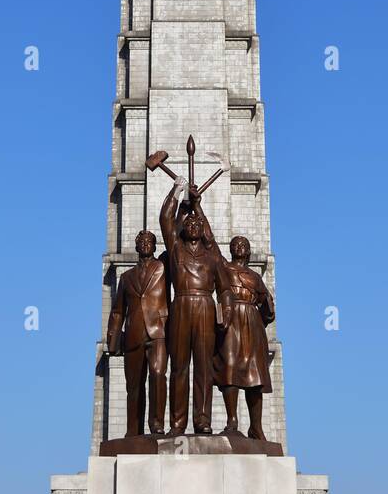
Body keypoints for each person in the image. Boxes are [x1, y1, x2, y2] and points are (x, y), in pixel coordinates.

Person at [159, 177, 222, 436]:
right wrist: (177, 189)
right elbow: (165, 218)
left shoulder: (212, 254)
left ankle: (203, 421)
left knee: (204, 368)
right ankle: (177, 424)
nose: (194, 225)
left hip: (206, 306)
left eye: (198, 223)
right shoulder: (175, 249)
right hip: (182, 304)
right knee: (180, 366)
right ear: (182, 229)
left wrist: (198, 206)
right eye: (190, 223)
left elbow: (210, 235)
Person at [106, 230, 169, 437]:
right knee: (134, 385)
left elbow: (174, 240)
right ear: (136, 246)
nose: (144, 244)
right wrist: (113, 342)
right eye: (141, 241)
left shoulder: (164, 268)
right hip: (134, 333)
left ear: (154, 246)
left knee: (158, 375)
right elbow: (117, 311)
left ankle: (157, 425)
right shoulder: (126, 277)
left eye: (148, 241)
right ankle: (133, 430)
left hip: (158, 331)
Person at [213, 235, 275, 442]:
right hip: (231, 320)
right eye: (236, 245)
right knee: (229, 368)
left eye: (244, 245)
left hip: (252, 322)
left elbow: (268, 308)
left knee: (255, 376)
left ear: (248, 252)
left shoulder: (255, 277)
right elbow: (210, 243)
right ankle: (232, 421)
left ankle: (256, 427)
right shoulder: (223, 267)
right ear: (231, 250)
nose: (240, 247)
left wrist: (265, 305)